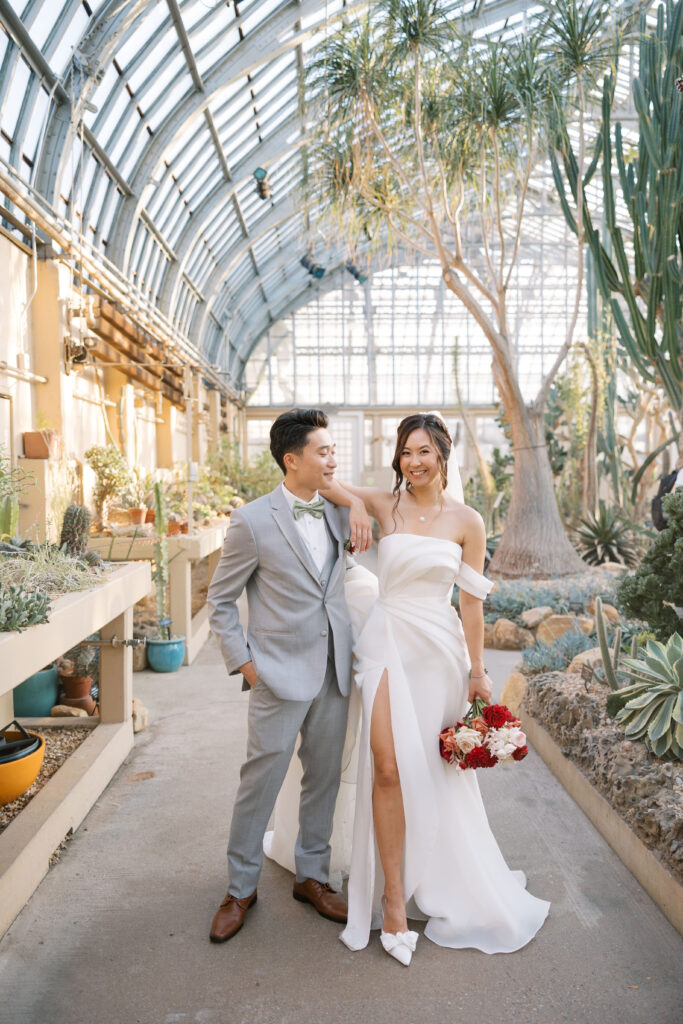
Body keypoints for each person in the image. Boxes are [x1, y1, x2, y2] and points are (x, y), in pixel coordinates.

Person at [316, 412, 550, 966]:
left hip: (440, 651)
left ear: (443, 453)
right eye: (405, 453)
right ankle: (393, 904)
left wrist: (477, 670)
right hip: (385, 639)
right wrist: (354, 503)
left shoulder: (468, 521)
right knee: (387, 765)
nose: (413, 462)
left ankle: (436, 872)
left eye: (423, 451)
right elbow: (322, 482)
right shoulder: (384, 503)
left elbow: (471, 602)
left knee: (433, 770)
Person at [206, 408, 372, 943]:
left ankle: (313, 878)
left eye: (332, 450)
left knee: (323, 778)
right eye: (322, 451)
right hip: (276, 676)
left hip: (334, 671)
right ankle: (239, 889)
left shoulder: (340, 512)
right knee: (261, 782)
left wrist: (358, 501)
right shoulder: (252, 521)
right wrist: (249, 666)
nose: (332, 458)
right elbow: (220, 601)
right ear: (291, 459)